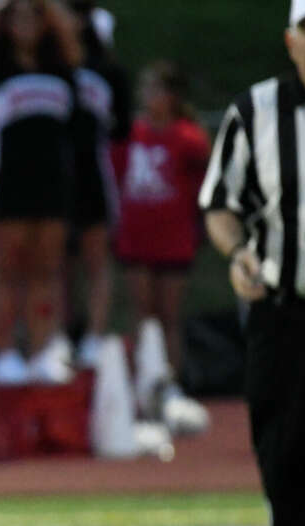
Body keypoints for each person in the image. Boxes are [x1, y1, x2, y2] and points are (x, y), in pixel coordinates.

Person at [200, 0, 305, 526]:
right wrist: (238, 252)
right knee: (284, 452)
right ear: (290, 40)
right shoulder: (256, 111)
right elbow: (220, 204)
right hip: (285, 309)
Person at [0, 0, 83, 384]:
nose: (26, 22)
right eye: (18, 15)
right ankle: (5, 353)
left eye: (34, 15)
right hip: (6, 186)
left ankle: (43, 351)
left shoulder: (62, 70)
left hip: (53, 186)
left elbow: (76, 131)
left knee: (47, 272)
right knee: (8, 271)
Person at [117, 61, 210, 425]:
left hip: (173, 237)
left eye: (156, 89)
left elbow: (205, 186)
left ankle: (170, 382)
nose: (148, 97)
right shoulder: (131, 134)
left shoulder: (188, 138)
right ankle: (142, 379)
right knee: (141, 312)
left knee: (169, 314)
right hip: (137, 235)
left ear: (171, 96)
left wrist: (199, 229)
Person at [66, 0, 130, 368]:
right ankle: (64, 332)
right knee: (58, 263)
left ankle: (95, 334)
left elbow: (120, 129)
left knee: (95, 258)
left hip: (93, 173)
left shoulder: (107, 71)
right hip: (55, 175)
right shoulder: (53, 67)